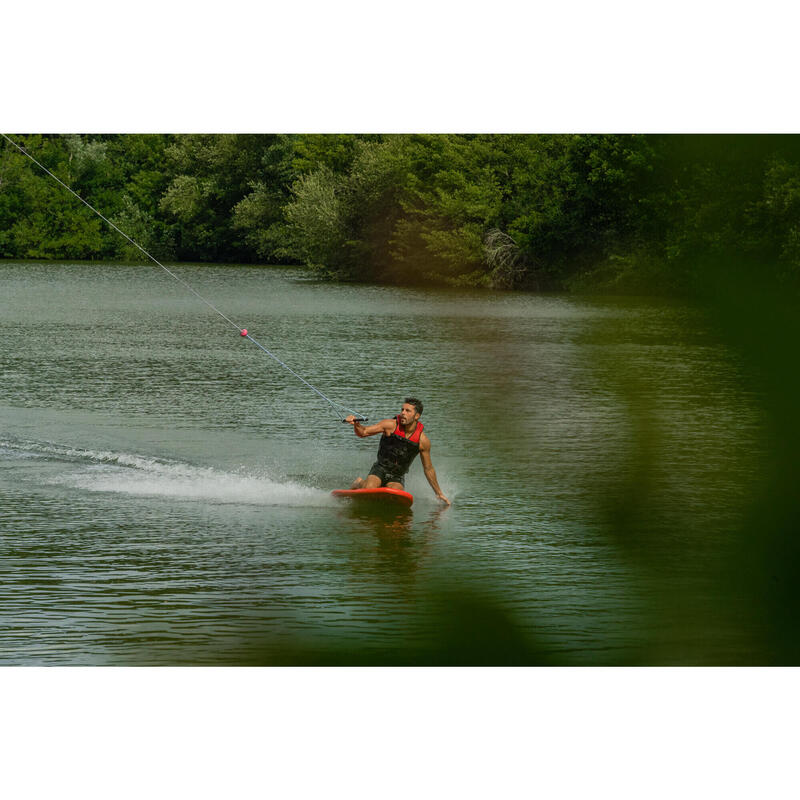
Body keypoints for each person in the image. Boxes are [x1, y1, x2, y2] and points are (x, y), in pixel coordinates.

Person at [345, 398, 450, 506]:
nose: (403, 413)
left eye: (407, 411)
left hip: (397, 476)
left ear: (417, 416)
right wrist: (356, 424)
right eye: (402, 409)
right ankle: (359, 482)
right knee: (369, 489)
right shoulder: (390, 425)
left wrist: (438, 493)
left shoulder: (423, 441)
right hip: (380, 468)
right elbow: (364, 432)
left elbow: (428, 468)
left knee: (394, 495)